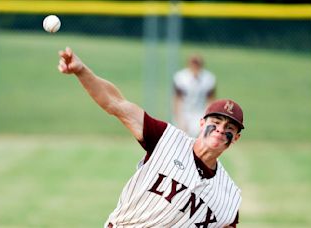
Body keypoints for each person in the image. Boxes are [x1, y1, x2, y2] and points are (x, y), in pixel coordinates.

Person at [57, 47, 244, 228]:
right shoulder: (166, 138)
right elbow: (116, 103)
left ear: (235, 137)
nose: (220, 129)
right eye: (216, 122)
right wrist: (82, 71)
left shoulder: (229, 197)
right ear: (202, 123)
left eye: (229, 127)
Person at [173, 54, 217, 137]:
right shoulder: (180, 77)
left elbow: (210, 100)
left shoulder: (209, 78)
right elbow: (177, 99)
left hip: (200, 113)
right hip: (184, 112)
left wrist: (208, 117)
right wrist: (179, 118)